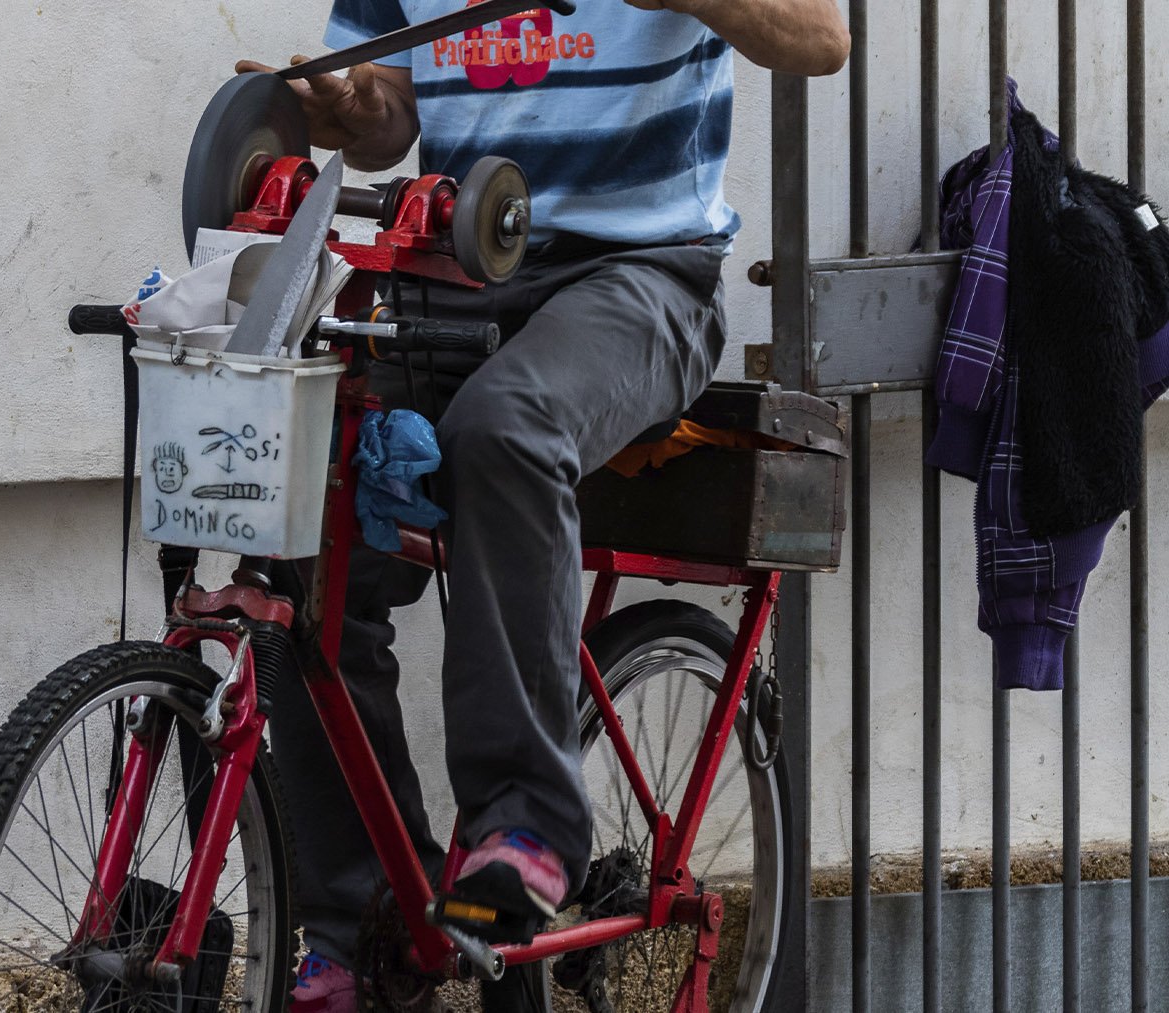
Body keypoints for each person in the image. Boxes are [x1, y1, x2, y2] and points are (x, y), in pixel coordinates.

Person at [237, 1, 847, 1009]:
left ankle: (527, 826)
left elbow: (821, 38)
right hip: (458, 274)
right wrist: (350, 103)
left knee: (506, 427)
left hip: (641, 278)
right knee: (302, 489)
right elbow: (389, 110)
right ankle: (362, 925)